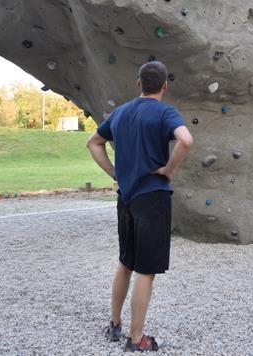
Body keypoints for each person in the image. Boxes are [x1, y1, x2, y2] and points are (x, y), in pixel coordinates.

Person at [87, 61, 194, 352]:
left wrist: (114, 173)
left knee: (125, 262)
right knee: (145, 271)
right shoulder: (165, 112)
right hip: (152, 199)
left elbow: (93, 142)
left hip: (127, 197)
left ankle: (114, 325)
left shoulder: (120, 113)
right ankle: (136, 339)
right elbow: (185, 140)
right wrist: (169, 169)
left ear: (138, 84)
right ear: (165, 86)